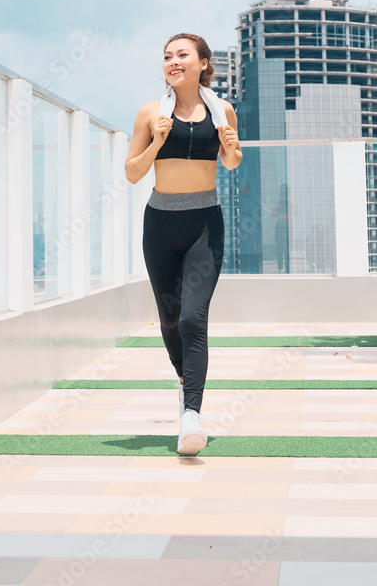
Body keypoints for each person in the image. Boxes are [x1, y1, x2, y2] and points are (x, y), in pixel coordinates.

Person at [124, 33, 242, 454]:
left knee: (194, 318)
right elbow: (133, 173)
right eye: (167, 57)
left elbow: (230, 161)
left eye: (182, 55)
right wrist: (157, 140)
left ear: (202, 62)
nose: (173, 62)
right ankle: (184, 382)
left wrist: (233, 150)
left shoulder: (221, 109)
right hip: (160, 224)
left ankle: (191, 414)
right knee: (170, 318)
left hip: (204, 224)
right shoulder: (149, 113)